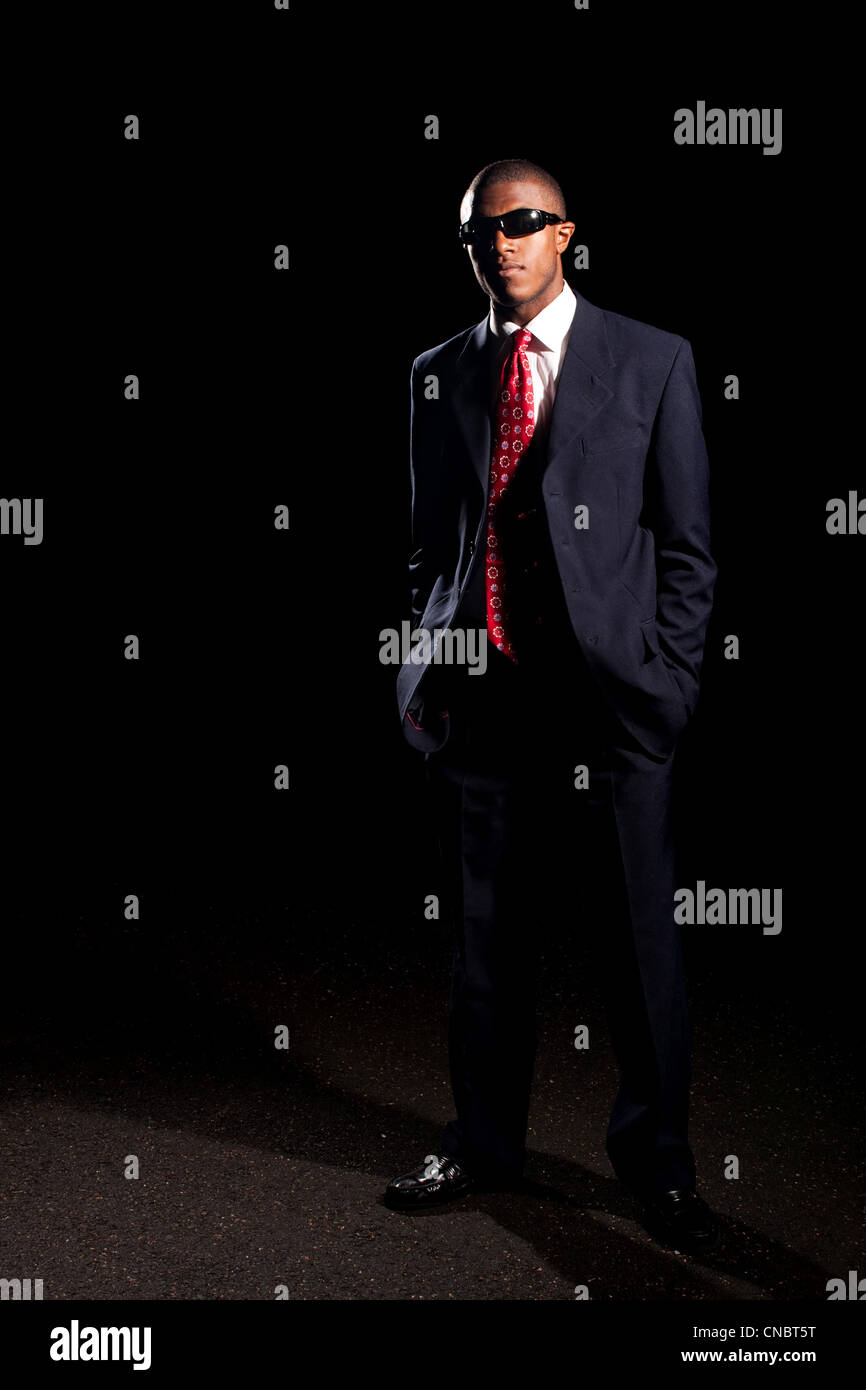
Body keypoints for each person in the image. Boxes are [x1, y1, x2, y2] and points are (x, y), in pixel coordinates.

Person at [385, 159, 718, 1252]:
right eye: (484, 230)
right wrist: (427, 663)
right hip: (488, 699)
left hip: (614, 703)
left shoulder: (652, 359)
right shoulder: (439, 372)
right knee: (484, 944)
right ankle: (484, 1144)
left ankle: (658, 1164)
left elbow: (684, 547)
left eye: (524, 223)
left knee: (638, 946)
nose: (504, 243)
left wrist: (664, 684)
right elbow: (434, 544)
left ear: (564, 231)